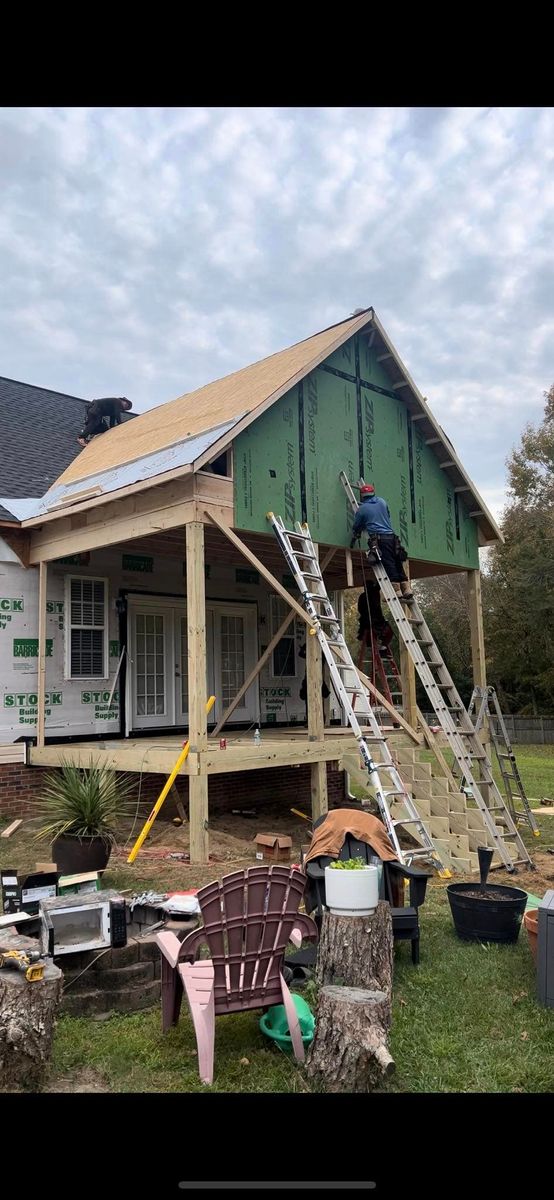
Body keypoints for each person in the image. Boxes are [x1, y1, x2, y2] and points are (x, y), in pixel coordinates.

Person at [350, 483, 414, 601]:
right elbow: (387, 515)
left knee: (388, 563)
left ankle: (397, 591)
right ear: (373, 493)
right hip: (392, 538)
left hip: (380, 539)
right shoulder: (382, 502)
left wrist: (357, 532)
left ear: (362, 496)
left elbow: (357, 526)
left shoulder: (362, 509)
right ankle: (406, 588)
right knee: (397, 562)